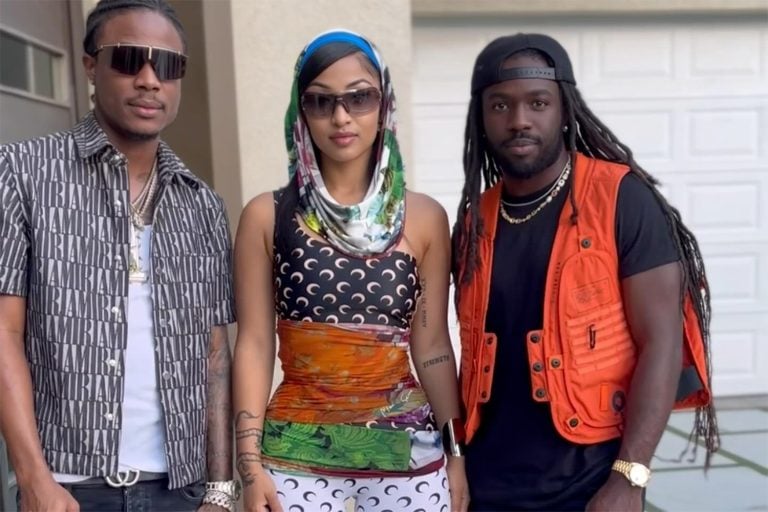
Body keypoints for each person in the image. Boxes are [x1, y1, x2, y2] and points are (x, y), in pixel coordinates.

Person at [451, 33, 719, 511]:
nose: (519, 120)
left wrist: (630, 477)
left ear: (564, 110)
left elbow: (661, 341)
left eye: (538, 103)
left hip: (591, 483)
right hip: (486, 482)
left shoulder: (621, 198)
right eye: (500, 105)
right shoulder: (475, 220)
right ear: (481, 118)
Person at [0, 1, 238, 511]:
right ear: (91, 65)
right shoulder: (22, 173)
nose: (149, 79)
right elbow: (4, 332)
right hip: (68, 490)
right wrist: (34, 480)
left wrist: (220, 491)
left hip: (180, 491)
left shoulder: (202, 204)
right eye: (129, 59)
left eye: (167, 65)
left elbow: (215, 355)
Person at [232, 29, 469, 512]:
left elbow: (432, 346)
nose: (341, 117)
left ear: (384, 105)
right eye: (321, 101)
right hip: (296, 453)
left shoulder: (423, 218)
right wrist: (249, 467)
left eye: (359, 98)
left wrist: (456, 456)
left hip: (407, 456)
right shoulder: (267, 216)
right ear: (301, 111)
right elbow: (254, 344)